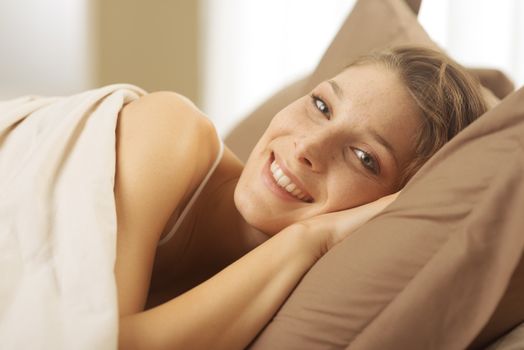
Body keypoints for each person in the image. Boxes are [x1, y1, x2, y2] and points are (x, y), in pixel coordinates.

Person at [114, 46, 487, 349]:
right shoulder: (171, 133)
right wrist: (307, 239)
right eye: (321, 106)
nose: (308, 146)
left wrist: (313, 240)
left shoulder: (288, 288)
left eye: (363, 158)